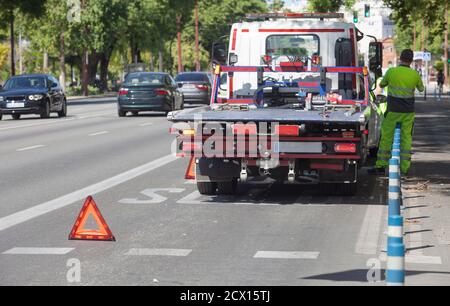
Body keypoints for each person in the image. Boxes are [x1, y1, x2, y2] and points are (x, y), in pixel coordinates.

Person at [369, 49, 424, 176]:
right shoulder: (415, 74)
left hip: (393, 111)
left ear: (400, 58)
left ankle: (381, 166)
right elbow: (421, 89)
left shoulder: (391, 72)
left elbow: (382, 84)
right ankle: (405, 169)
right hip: (408, 113)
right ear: (411, 60)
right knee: (406, 139)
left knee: (386, 138)